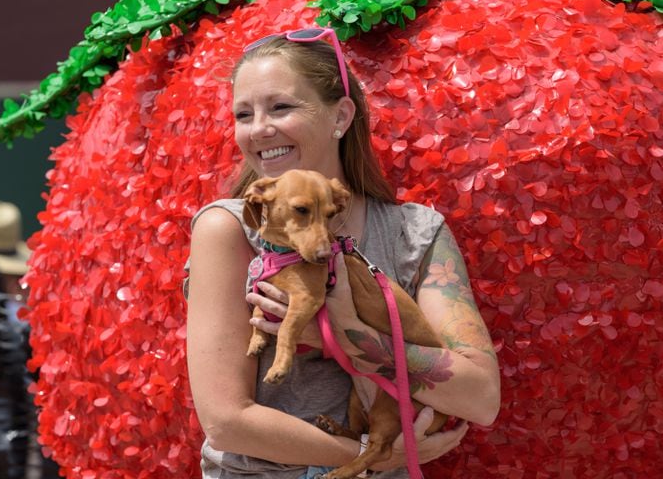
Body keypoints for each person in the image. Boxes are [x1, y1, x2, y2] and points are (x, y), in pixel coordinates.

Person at [185, 28, 501, 478]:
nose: (258, 129)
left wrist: (344, 332)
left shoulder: (415, 232)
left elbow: (481, 399)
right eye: (243, 114)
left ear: (341, 115)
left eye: (281, 107)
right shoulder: (230, 228)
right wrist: (371, 456)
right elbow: (228, 422)